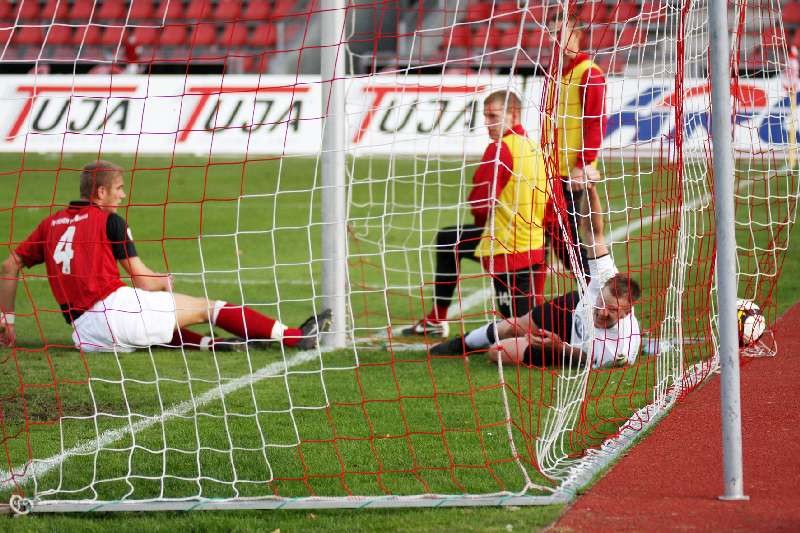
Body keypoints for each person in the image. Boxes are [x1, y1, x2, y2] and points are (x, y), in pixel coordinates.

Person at [0, 161, 330, 353]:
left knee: (153, 323)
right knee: (206, 307)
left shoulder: (51, 223)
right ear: (99, 192)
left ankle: (216, 346)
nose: (123, 194)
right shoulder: (108, 220)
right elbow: (142, 279)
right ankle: (297, 337)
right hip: (113, 312)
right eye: (118, 188)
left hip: (84, 335)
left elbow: (9, 265)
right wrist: (164, 281)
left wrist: (7, 320)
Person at [430, 186, 641, 370]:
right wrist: (590, 188)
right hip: (576, 310)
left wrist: (558, 347)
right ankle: (463, 343)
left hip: (571, 351)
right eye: (603, 303)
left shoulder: (618, 350)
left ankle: (535, 345)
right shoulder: (605, 277)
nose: (603, 312)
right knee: (511, 326)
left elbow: (589, 358)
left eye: (612, 310)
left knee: (498, 352)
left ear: (626, 313)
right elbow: (594, 232)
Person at [400, 90, 550, 338]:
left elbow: (480, 204)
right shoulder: (534, 148)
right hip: (533, 242)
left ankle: (552, 336)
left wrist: (485, 230)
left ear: (513, 115)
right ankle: (436, 319)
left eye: (493, 116)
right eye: (485, 116)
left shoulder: (500, 149)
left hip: (507, 247)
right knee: (449, 239)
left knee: (516, 333)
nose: (487, 123)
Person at [541, 17, 608, 278]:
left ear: (577, 35)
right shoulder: (554, 73)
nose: (552, 39)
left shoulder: (589, 73)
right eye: (549, 34)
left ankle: (593, 283)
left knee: (566, 235)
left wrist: (584, 164)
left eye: (559, 32)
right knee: (550, 233)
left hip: (571, 174)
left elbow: (595, 122)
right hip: (549, 170)